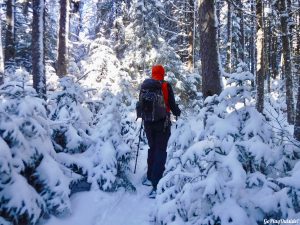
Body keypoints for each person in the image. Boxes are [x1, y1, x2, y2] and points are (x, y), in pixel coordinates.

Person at [139, 64, 181, 199]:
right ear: (163, 73)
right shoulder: (165, 85)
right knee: (160, 150)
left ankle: (150, 176)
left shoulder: (145, 86)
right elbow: (172, 104)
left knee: (152, 148)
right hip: (162, 122)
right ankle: (157, 184)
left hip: (147, 123)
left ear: (152, 73)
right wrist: (177, 112)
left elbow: (140, 104)